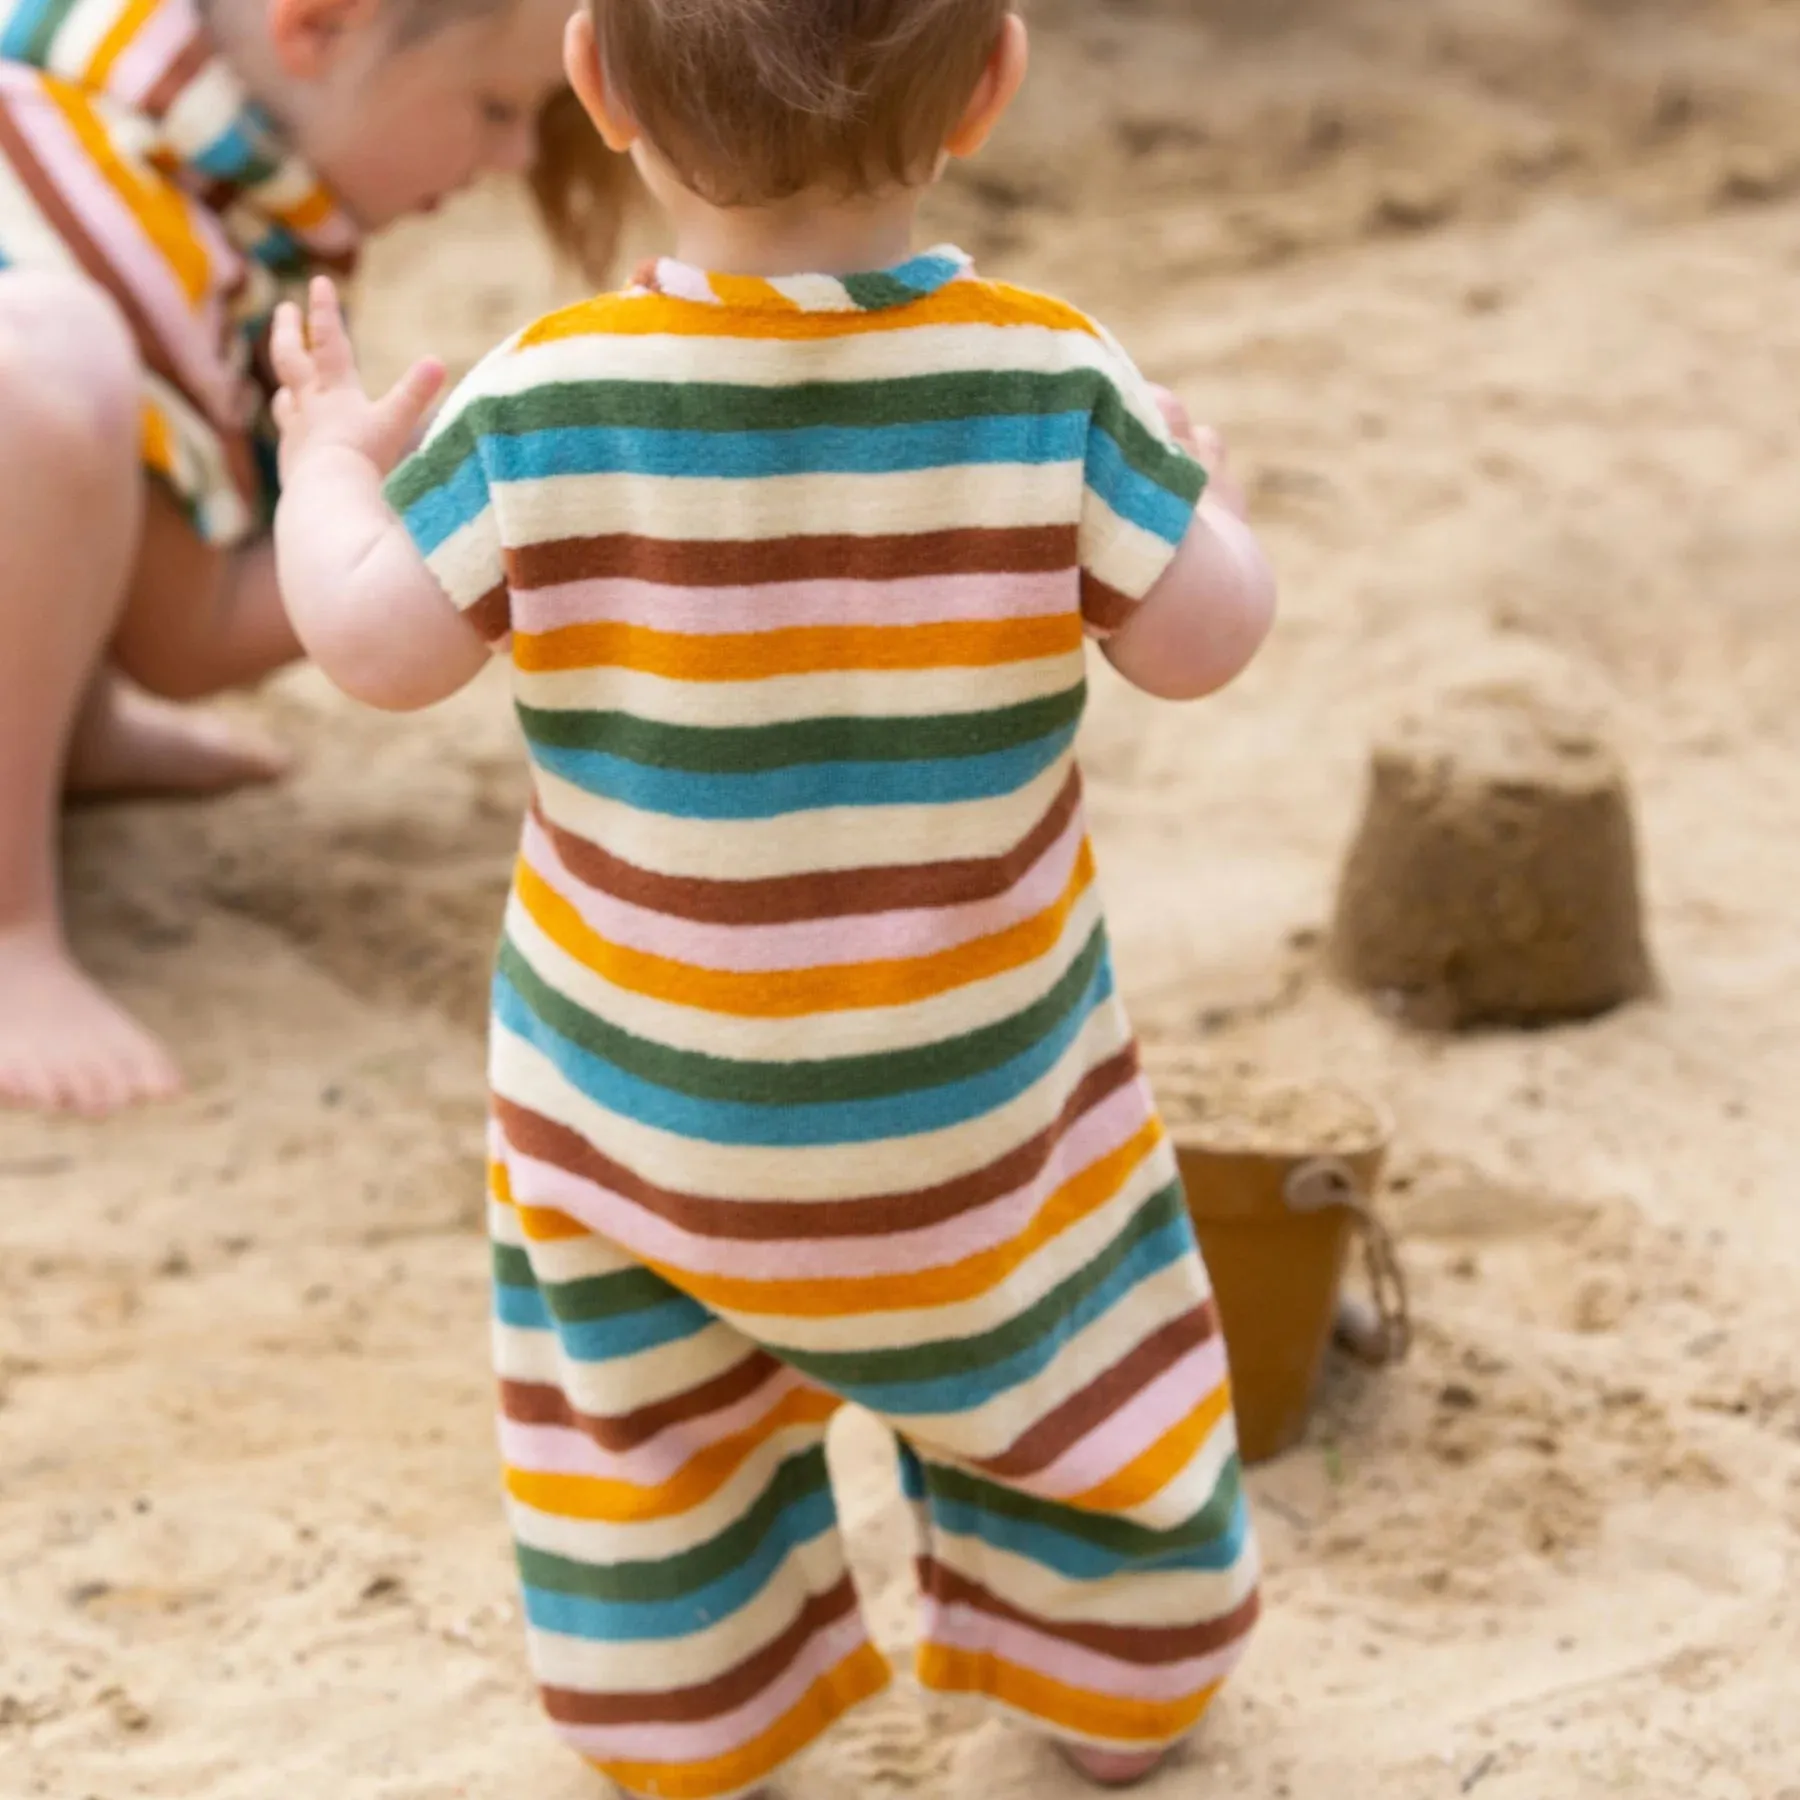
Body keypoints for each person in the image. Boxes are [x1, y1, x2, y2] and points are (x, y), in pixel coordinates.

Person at [270, 1, 1277, 1793]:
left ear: (593, 80)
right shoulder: (1053, 380)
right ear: (992, 79)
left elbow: (372, 647)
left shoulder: (541, 398)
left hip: (637, 1122)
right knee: (1073, 1377)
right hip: (970, 1124)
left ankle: (688, 1720)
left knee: (642, 1436)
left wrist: (327, 475)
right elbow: (1207, 644)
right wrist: (1199, 482)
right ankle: (1118, 1689)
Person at [0, 0, 604, 1116]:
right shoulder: (131, 211)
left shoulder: (118, 83)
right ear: (317, 30)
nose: (515, 153)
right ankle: (8, 928)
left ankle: (66, 731)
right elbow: (189, 636)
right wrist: (470, 499)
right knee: (44, 379)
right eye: (495, 106)